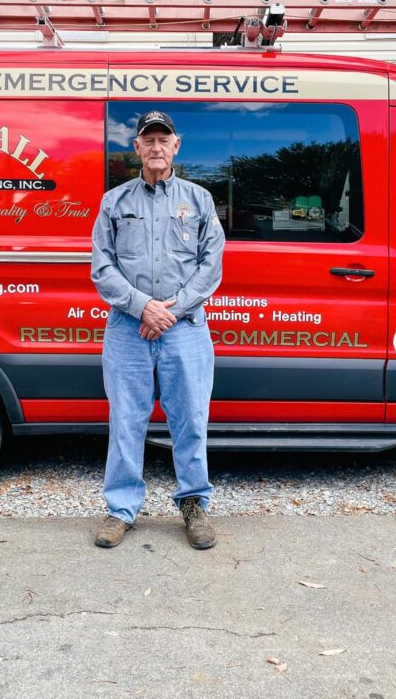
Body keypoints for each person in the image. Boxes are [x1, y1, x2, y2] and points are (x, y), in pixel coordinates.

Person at [90, 110, 226, 549]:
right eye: (147, 140)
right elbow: (102, 267)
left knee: (190, 420)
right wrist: (142, 307)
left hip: (184, 327)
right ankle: (121, 509)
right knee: (126, 420)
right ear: (137, 148)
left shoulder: (200, 200)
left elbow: (212, 264)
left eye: (162, 139)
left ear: (176, 146)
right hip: (128, 328)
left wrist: (172, 309)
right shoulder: (115, 202)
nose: (155, 147)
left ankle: (193, 505)